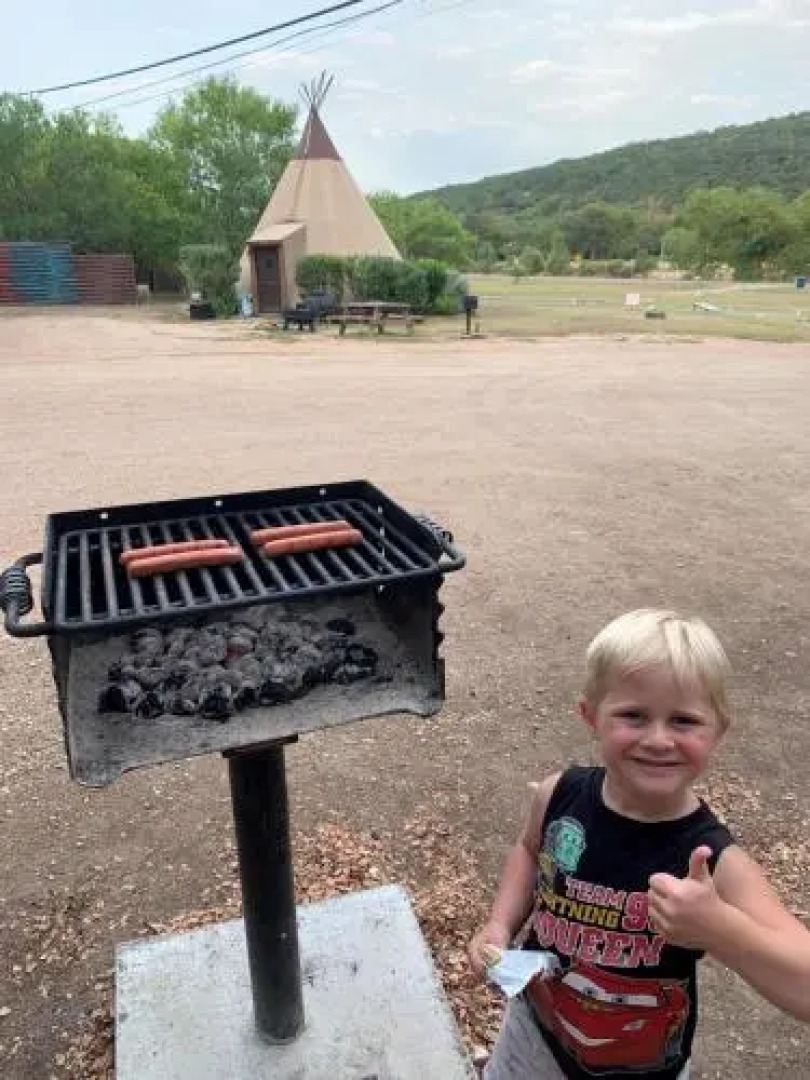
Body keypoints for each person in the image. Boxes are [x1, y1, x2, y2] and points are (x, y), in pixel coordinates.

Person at [468, 609, 810, 1080]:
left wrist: (717, 927)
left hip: (642, 1061)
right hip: (536, 1030)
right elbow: (529, 853)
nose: (658, 739)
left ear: (718, 732)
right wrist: (498, 924)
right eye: (633, 715)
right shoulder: (558, 796)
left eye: (685, 721)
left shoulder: (713, 861)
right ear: (590, 716)